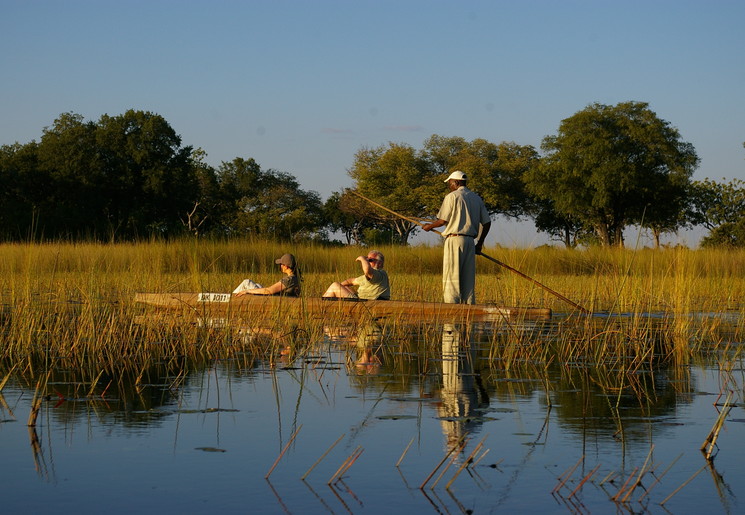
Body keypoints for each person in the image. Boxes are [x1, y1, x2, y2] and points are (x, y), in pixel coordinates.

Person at [422, 170, 491, 304]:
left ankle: (451, 307)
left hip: (454, 240)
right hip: (470, 242)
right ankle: (469, 306)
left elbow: (442, 221)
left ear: (456, 182)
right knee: (468, 278)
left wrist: (428, 227)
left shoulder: (452, 197)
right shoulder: (477, 198)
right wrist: (480, 243)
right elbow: (487, 223)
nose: (449, 186)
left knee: (451, 277)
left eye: (450, 183)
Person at [322, 250, 390, 300]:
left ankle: (323, 306)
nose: (368, 262)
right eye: (367, 260)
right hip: (361, 300)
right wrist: (341, 287)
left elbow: (367, 270)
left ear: (380, 263)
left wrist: (362, 259)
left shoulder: (380, 274)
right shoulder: (366, 276)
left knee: (335, 285)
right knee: (341, 286)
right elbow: (351, 281)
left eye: (370, 260)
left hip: (368, 303)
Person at [233, 253, 301, 297]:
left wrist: (247, 291)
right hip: (275, 297)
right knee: (258, 285)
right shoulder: (295, 278)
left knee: (246, 282)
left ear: (286, 266)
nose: (280, 266)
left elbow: (269, 291)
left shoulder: (289, 280)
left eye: (281, 264)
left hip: (272, 298)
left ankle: (232, 298)